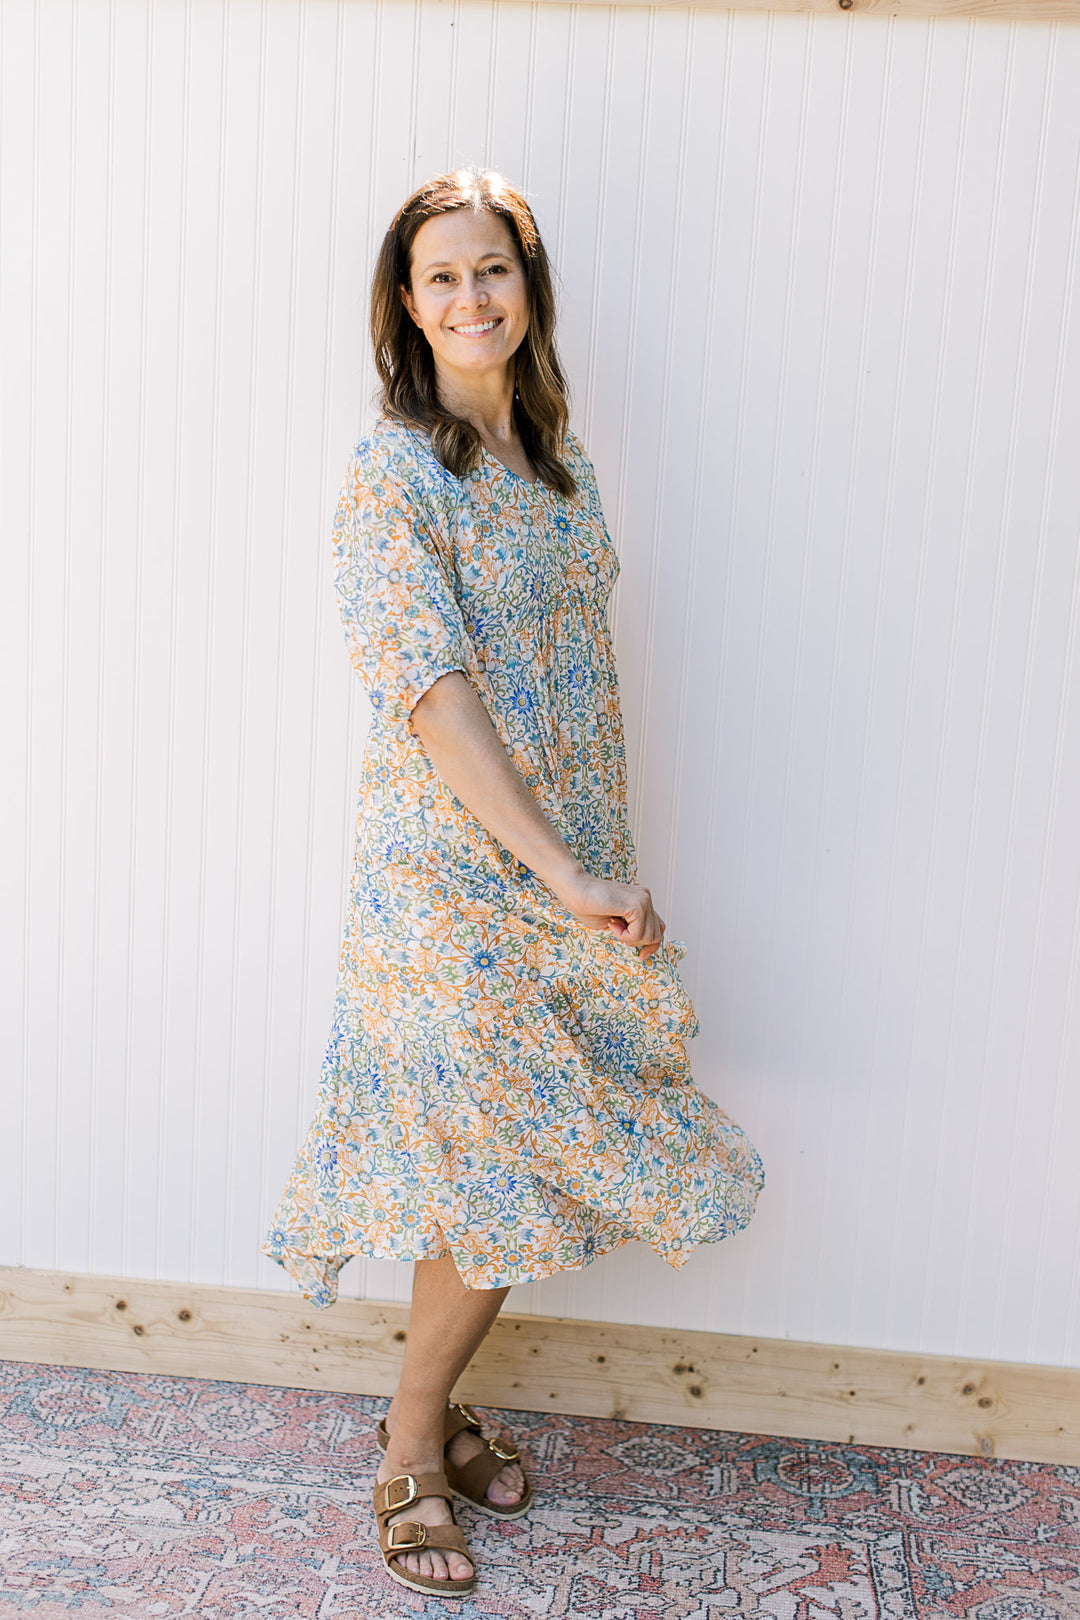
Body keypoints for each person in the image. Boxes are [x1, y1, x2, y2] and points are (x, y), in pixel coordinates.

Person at [261, 167, 764, 1599]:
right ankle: (412, 1445)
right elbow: (432, 694)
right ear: (405, 306)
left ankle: (430, 1415)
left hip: (566, 865)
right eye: (443, 277)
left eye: (493, 269)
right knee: (490, 1170)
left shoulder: (559, 461)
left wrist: (592, 861)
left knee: (509, 1169)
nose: (471, 296)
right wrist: (563, 868)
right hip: (452, 883)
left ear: (526, 291)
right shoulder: (391, 479)